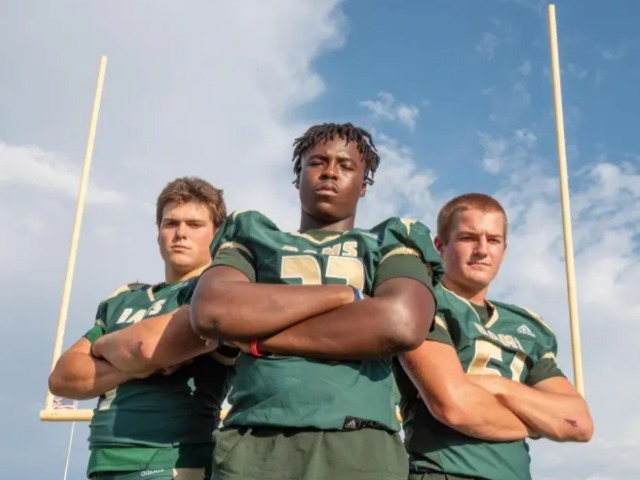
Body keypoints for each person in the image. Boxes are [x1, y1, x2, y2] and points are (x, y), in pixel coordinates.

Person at [188, 122, 443, 480]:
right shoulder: (254, 236)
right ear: (298, 176)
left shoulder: (389, 241)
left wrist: (261, 337)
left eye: (346, 165)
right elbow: (214, 311)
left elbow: (399, 323)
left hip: (358, 444)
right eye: (317, 162)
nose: (330, 172)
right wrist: (345, 296)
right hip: (255, 441)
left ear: (364, 185)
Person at [394, 193, 594, 480]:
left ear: (504, 249)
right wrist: (540, 421)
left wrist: (497, 386)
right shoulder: (426, 300)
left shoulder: (527, 326)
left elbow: (579, 424)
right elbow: (453, 406)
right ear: (440, 245)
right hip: (444, 472)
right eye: (468, 238)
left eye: (493, 240)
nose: (482, 250)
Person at [48, 177, 235, 480]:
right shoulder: (123, 298)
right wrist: (134, 368)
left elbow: (148, 348)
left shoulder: (214, 290)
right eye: (170, 223)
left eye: (194, 224)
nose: (181, 233)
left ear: (216, 234)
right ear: (158, 233)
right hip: (104, 462)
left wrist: (103, 348)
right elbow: (62, 377)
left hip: (173, 462)